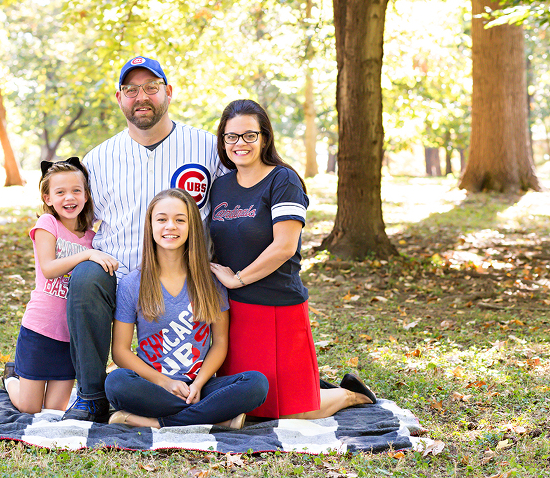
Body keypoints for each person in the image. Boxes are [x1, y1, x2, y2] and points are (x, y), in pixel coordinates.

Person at [61, 57, 225, 422]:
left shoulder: (206, 148)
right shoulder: (99, 159)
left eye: (151, 87)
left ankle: (199, 390)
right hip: (120, 274)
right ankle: (90, 395)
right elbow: (76, 219)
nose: (142, 96)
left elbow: (239, 194)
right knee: (86, 277)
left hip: (185, 276)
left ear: (168, 92)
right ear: (119, 98)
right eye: (131, 90)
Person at [208, 99, 377, 419]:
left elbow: (284, 246)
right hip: (232, 311)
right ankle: (313, 386)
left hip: (275, 306)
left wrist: (237, 278)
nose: (239, 144)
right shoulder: (220, 186)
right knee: (251, 406)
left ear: (265, 137)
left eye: (249, 135)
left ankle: (350, 394)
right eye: (231, 137)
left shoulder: (283, 180)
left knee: (292, 412)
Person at [105, 189, 268, 428]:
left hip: (198, 384)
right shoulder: (132, 284)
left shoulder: (210, 281)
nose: (170, 226)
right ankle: (213, 419)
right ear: (150, 226)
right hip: (152, 386)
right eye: (161, 219)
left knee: (256, 383)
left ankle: (155, 422)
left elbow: (220, 342)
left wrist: (199, 384)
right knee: (117, 383)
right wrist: (164, 383)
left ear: (192, 226)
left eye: (180, 220)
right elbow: (120, 352)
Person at [2, 158, 118, 414]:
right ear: (48, 198)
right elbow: (49, 268)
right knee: (29, 407)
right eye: (60, 192)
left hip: (70, 336)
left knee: (55, 408)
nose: (70, 197)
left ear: (87, 196)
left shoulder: (92, 237)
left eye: (76, 190)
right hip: (40, 329)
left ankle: (21, 381)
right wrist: (87, 256)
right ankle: (11, 380)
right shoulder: (47, 224)